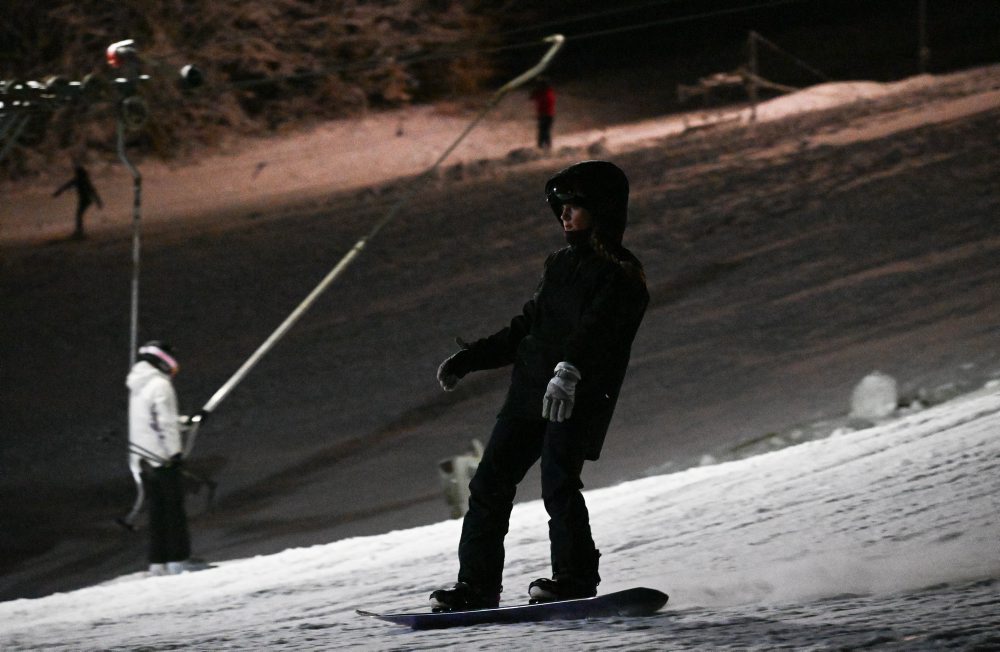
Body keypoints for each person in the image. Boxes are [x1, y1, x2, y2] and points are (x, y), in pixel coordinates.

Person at [429, 160, 649, 611]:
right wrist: (471, 358)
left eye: (574, 207)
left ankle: (574, 579)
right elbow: (528, 328)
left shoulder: (621, 273)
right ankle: (476, 586)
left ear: (602, 210)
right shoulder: (561, 265)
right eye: (561, 207)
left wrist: (569, 371)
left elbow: (599, 331)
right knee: (488, 485)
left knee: (558, 484)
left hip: (574, 396)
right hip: (529, 392)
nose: (564, 216)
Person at [126, 340, 195, 575]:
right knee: (174, 510)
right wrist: (174, 453)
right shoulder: (159, 385)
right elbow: (164, 423)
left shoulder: (138, 386)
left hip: (143, 459)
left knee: (157, 512)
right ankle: (178, 560)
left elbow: (153, 421)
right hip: (162, 458)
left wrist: (188, 422)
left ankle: (158, 562)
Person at [53, 163, 102, 240]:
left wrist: (58, 192)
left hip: (85, 200)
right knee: (79, 215)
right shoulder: (84, 180)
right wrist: (98, 202)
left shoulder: (79, 180)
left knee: (79, 215)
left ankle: (79, 232)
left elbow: (67, 186)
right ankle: (79, 231)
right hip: (87, 200)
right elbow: (93, 191)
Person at [530, 77, 556, 150]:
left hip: (547, 116)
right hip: (544, 115)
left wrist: (535, 93)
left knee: (544, 132)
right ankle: (542, 147)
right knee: (543, 132)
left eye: (540, 85)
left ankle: (546, 147)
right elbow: (531, 97)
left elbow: (545, 103)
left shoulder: (548, 93)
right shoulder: (542, 92)